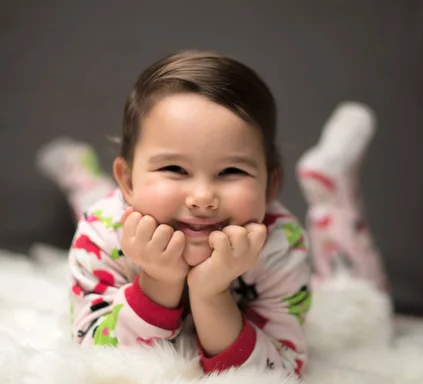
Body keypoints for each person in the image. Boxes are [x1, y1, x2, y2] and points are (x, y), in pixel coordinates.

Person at [52, 51, 312, 377]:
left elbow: (283, 371)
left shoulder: (280, 244)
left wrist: (212, 294)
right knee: (91, 199)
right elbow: (95, 354)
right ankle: (80, 174)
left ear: (271, 186)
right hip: (119, 212)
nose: (202, 198)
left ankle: (335, 198)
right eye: (174, 168)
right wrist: (158, 282)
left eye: (231, 170)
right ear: (128, 180)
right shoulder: (102, 229)